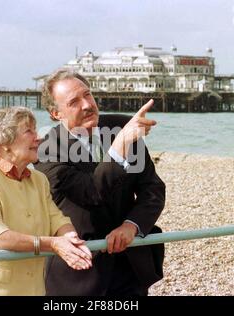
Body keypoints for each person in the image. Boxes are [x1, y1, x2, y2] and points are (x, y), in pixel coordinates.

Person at [34, 70, 166, 296]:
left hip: (130, 268)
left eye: (88, 94)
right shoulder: (46, 149)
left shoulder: (122, 127)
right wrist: (120, 145)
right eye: (74, 101)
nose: (87, 105)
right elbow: (91, 192)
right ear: (56, 113)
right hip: (79, 271)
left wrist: (131, 225)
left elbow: (152, 188)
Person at [0, 107, 92, 296]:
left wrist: (71, 240)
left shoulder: (38, 179)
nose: (38, 137)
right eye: (29, 131)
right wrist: (52, 244)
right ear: (4, 143)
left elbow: (57, 220)